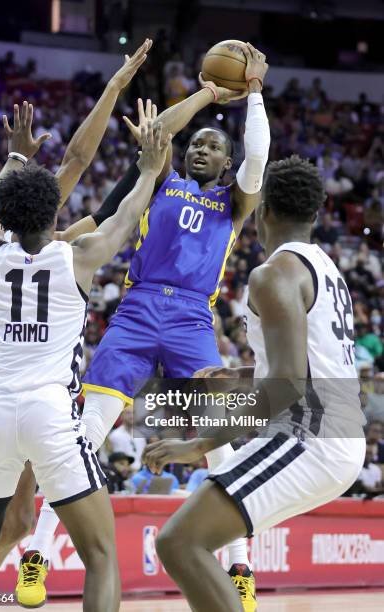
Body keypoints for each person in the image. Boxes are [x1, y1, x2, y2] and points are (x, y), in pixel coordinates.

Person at [25, 42, 269, 611]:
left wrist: (253, 96)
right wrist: (209, 95)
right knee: (85, 435)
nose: (203, 147)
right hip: (135, 313)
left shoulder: (234, 203)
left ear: (226, 165)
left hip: (190, 318)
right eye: (199, 143)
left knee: (218, 447)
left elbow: (257, 159)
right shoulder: (157, 181)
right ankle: (35, 555)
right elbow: (158, 131)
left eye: (214, 145)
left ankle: (240, 567)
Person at [0, 100, 170, 612]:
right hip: (51, 416)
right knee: (102, 554)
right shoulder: (79, 256)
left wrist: (15, 159)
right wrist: (151, 169)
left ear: (8, 216)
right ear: (55, 213)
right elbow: (127, 215)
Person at [143, 155, 366, 612]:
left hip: (311, 439)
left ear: (262, 210)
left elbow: (287, 386)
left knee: (180, 543)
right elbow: (310, 367)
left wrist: (199, 443)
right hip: (334, 437)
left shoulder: (274, 275)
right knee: (186, 542)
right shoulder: (324, 266)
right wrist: (242, 375)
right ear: (316, 214)